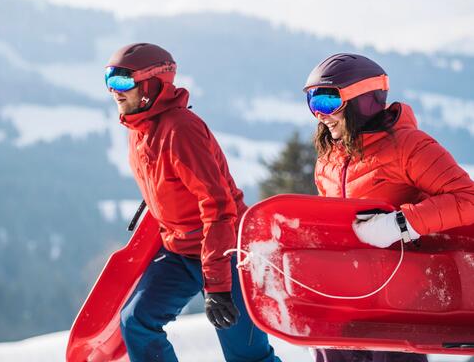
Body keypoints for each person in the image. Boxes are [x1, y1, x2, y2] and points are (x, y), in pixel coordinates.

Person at [105, 43, 281, 362]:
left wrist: (217, 286)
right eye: (109, 80)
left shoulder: (180, 130)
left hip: (228, 251)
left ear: (152, 84)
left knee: (247, 356)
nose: (114, 91)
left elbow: (218, 208)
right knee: (137, 322)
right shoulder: (139, 129)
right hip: (180, 250)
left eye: (123, 81)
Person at [303, 53, 474, 362]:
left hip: (397, 300)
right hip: (344, 301)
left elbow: (467, 199)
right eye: (313, 102)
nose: (320, 115)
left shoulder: (410, 146)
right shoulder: (327, 160)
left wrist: (400, 224)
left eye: (328, 103)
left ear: (362, 101)